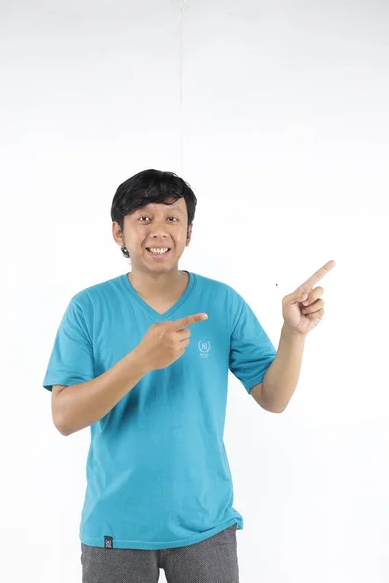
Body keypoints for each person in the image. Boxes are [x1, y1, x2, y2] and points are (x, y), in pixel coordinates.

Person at [43, 168, 277, 583]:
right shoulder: (88, 308)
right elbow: (64, 417)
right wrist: (140, 360)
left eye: (173, 218)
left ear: (189, 233)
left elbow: (273, 396)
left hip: (206, 526)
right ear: (119, 232)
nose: (159, 230)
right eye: (143, 217)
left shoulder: (223, 302)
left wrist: (294, 334)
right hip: (115, 529)